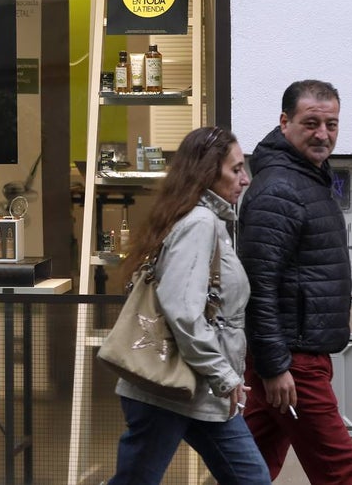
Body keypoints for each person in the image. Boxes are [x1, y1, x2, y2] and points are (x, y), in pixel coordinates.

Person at [108, 126, 268, 485]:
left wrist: (222, 378)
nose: (245, 179)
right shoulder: (200, 223)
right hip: (168, 389)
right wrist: (226, 378)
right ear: (208, 172)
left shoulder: (206, 220)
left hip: (199, 388)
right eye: (236, 169)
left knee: (252, 479)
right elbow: (182, 308)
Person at [237, 80, 352, 483]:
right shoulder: (280, 188)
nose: (323, 134)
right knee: (342, 472)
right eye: (311, 123)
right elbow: (258, 284)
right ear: (284, 122)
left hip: (296, 357)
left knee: (249, 469)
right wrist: (275, 368)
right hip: (293, 363)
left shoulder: (308, 177)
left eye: (332, 124)